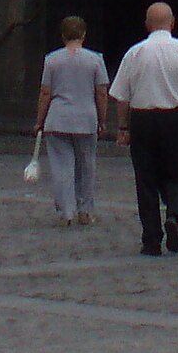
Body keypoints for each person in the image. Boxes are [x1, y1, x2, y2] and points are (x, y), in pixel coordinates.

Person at [109, 1, 178, 256]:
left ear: (147, 25)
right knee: (177, 174)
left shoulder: (135, 53)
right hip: (176, 120)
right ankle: (174, 216)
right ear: (172, 23)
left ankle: (151, 239)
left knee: (146, 180)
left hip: (143, 120)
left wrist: (123, 127)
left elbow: (122, 97)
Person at [34, 15, 109, 226]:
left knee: (61, 168)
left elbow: (45, 92)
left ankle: (65, 212)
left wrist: (40, 120)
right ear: (84, 35)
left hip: (58, 118)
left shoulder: (52, 60)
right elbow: (101, 92)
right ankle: (85, 210)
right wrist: (102, 120)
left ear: (62, 36)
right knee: (87, 166)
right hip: (86, 118)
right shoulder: (95, 60)